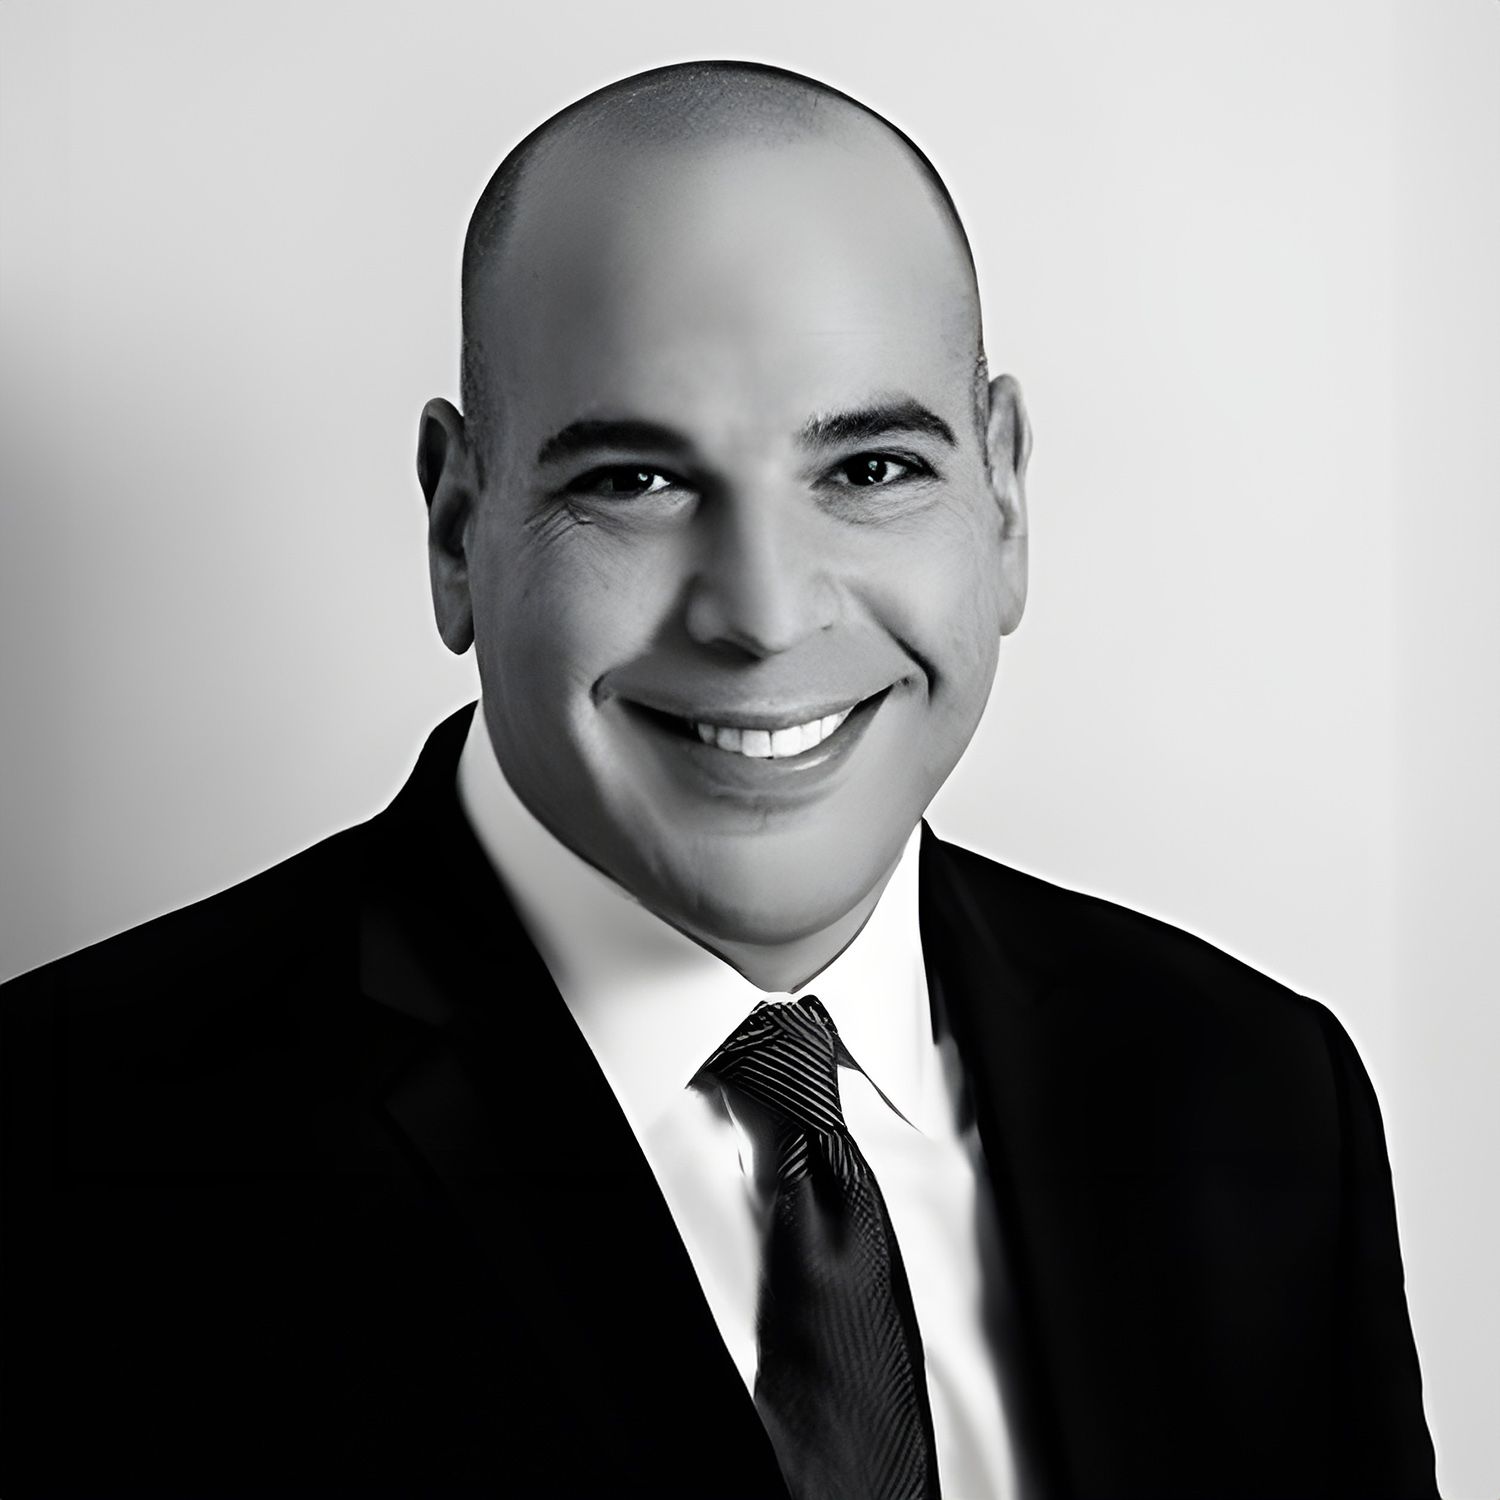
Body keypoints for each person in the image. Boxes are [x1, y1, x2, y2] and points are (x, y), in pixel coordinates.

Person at [0, 61, 1436, 1499]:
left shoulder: (1251, 1090)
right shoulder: (73, 1155)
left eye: (871, 468)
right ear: (456, 528)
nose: (759, 612)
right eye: (634, 480)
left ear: (1003, 498)